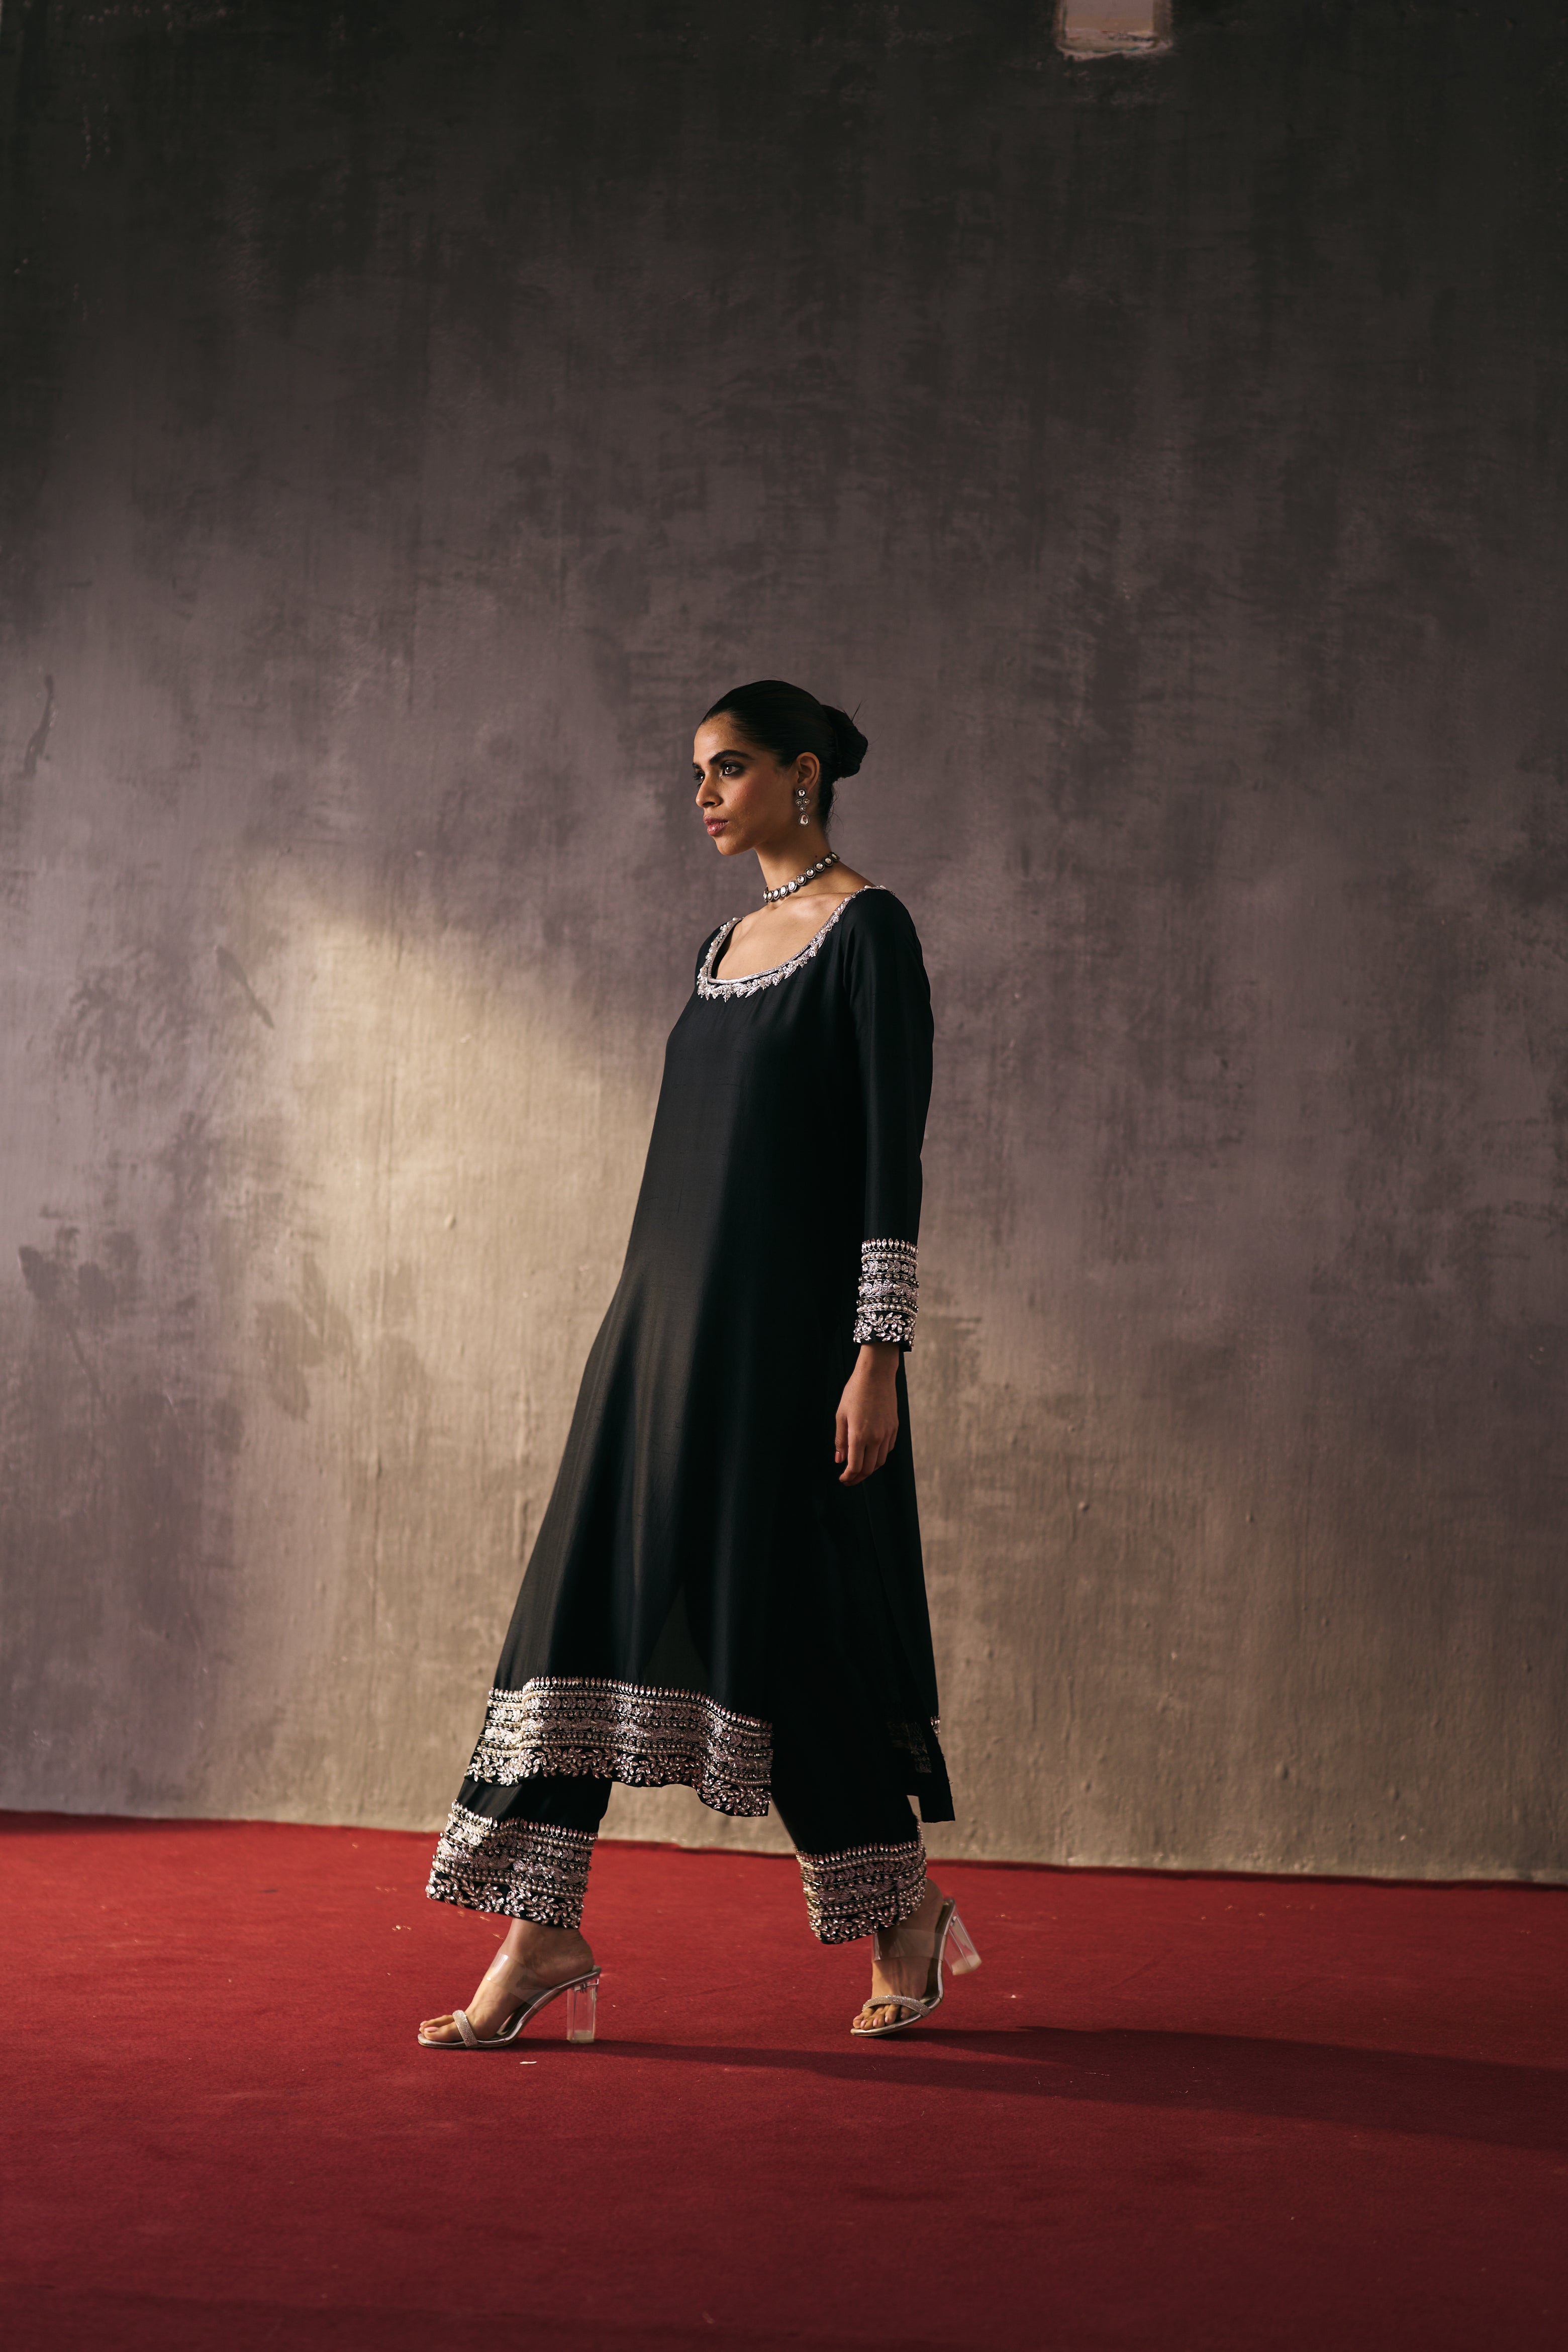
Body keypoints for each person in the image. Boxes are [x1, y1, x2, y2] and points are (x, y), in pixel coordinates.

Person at [418, 679, 977, 2049]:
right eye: (695, 775)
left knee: (776, 1630)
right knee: (585, 1606)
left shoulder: (868, 933)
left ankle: (901, 1907)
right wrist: (638, 1329)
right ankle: (542, 1930)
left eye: (728, 769)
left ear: (803, 774)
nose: (704, 796)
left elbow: (887, 1161)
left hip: (782, 1348)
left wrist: (878, 1355)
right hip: (660, 1330)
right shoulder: (722, 945)